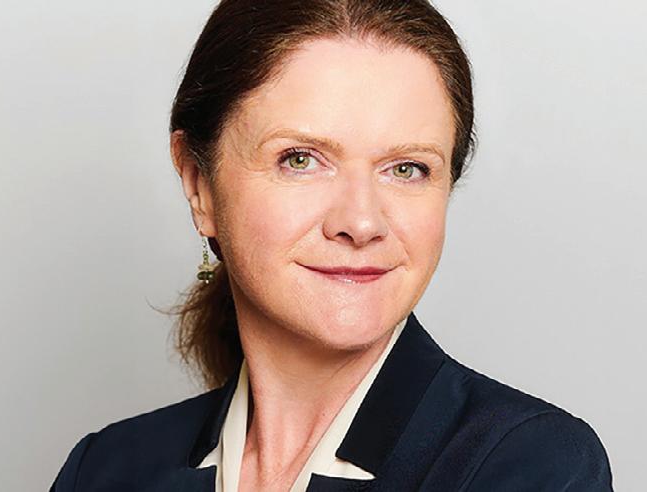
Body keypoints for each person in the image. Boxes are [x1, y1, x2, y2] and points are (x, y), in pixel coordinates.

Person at [51, 1, 613, 490]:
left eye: (407, 168)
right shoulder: (105, 470)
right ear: (200, 186)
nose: (361, 222)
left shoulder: (530, 464)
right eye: (300, 159)